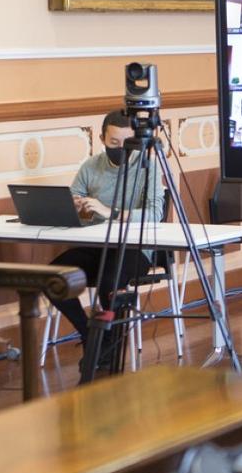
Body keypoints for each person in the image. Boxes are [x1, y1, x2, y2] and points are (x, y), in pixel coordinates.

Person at [49, 109, 164, 378]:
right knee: (52, 276)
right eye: (114, 143)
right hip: (95, 245)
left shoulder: (148, 167)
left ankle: (107, 346)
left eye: (127, 143)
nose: (121, 149)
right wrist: (80, 207)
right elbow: (74, 200)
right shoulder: (91, 166)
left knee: (109, 282)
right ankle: (93, 335)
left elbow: (154, 214)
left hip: (135, 249)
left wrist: (108, 210)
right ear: (102, 138)